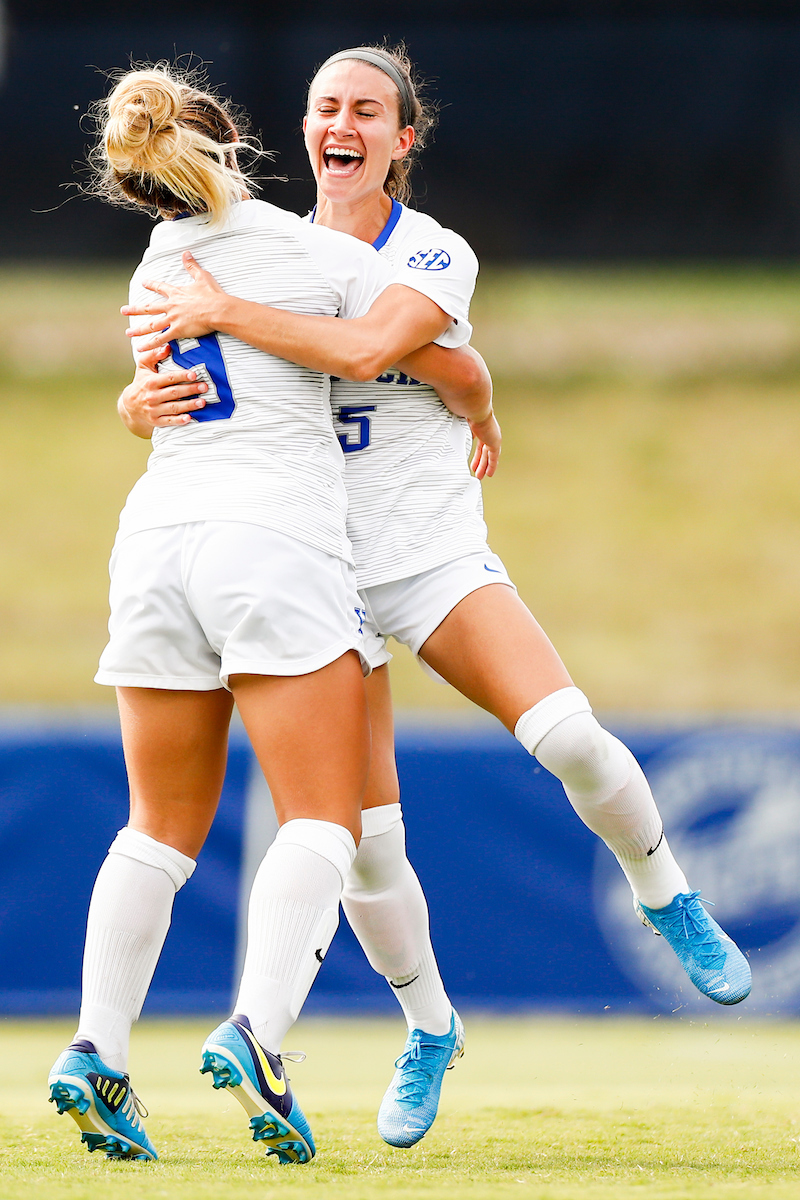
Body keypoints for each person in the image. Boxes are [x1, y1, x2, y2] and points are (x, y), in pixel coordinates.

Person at [121, 44, 752, 1151]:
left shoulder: (429, 251)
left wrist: (238, 315)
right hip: (312, 566)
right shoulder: (264, 244)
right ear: (305, 128)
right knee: (364, 841)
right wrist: (144, 397)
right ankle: (430, 1027)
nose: (341, 123)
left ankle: (664, 892)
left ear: (402, 139)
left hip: (427, 555)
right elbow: (178, 392)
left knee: (570, 738)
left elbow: (391, 355)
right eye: (325, 106)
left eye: (367, 109)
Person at [45, 62, 447, 1166]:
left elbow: (160, 400)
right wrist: (478, 396)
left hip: (155, 544)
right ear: (231, 152)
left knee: (155, 832)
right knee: (325, 819)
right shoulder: (313, 251)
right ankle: (259, 1034)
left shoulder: (156, 258)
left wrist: (131, 407)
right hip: (272, 539)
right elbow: (411, 354)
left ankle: (95, 1050)